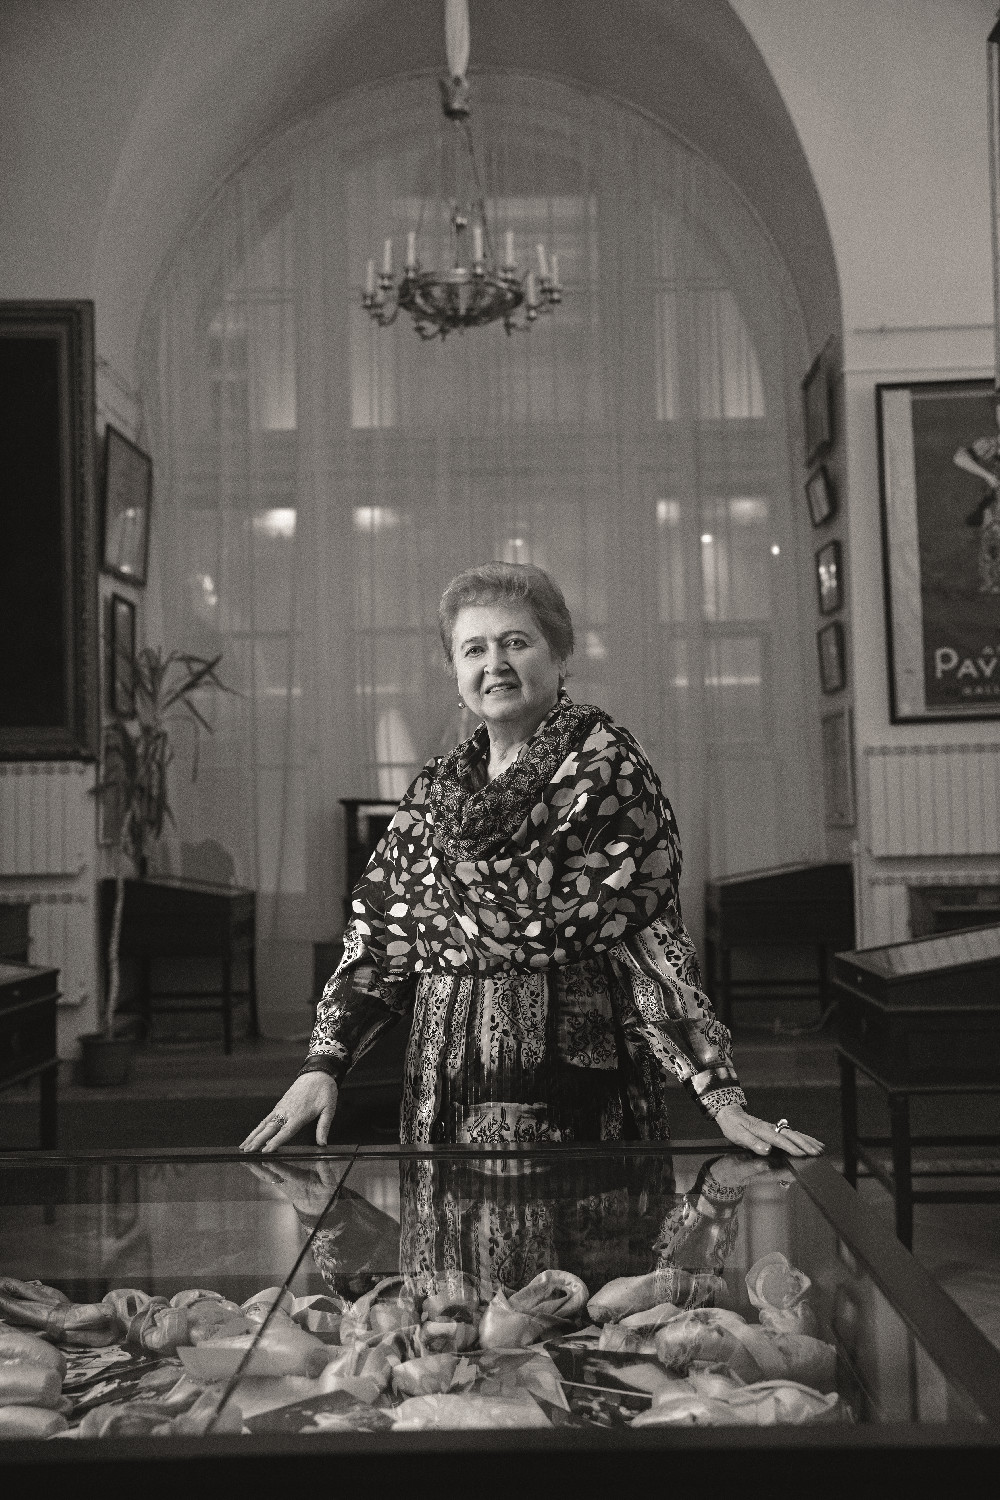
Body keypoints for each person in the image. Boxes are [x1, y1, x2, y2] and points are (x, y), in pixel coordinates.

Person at [241, 563, 822, 1160]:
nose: (494, 664)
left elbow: (653, 944)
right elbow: (378, 943)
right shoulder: (435, 795)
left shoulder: (608, 771)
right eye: (474, 649)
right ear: (456, 671)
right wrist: (322, 1066)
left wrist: (720, 1095)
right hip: (443, 1091)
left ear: (560, 655)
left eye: (516, 642)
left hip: (581, 1092)